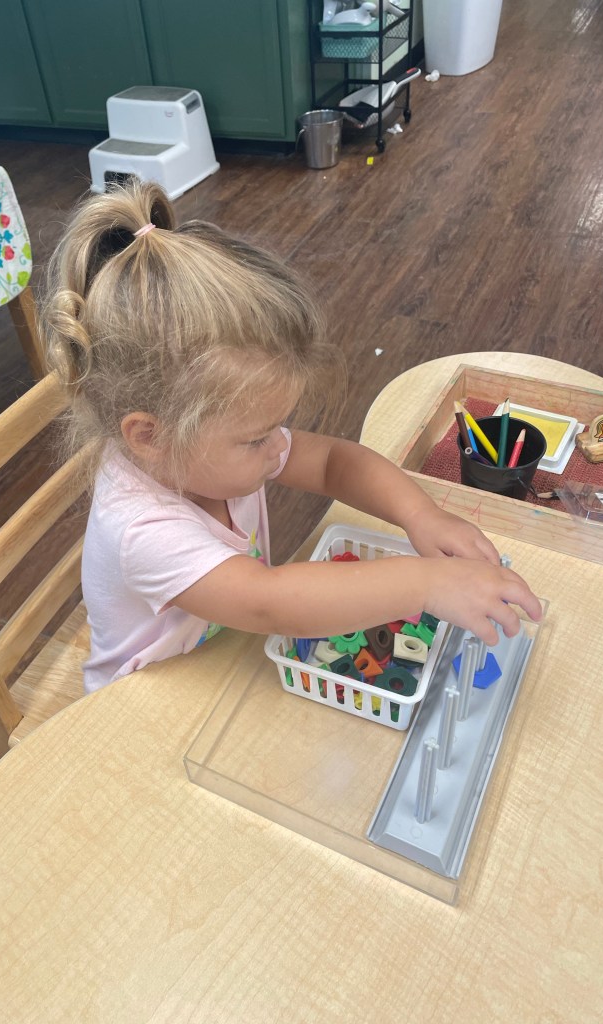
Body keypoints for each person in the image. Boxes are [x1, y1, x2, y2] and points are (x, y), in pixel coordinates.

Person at [43, 179, 541, 693]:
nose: (280, 446)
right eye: (257, 438)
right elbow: (269, 602)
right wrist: (426, 584)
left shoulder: (201, 446)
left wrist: (421, 515)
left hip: (229, 661)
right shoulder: (141, 529)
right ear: (151, 437)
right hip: (147, 704)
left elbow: (330, 463)